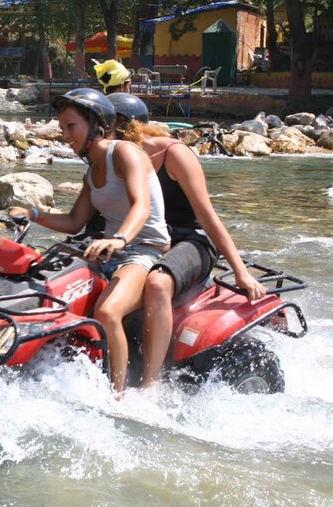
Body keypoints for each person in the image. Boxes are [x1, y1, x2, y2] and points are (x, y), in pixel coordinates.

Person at [9, 88, 169, 392]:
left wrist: (120, 239)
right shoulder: (93, 170)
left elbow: (142, 205)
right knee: (46, 285)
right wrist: (32, 213)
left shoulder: (124, 153)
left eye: (71, 126)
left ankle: (118, 397)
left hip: (144, 252)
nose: (64, 135)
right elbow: (73, 222)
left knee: (108, 312)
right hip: (109, 251)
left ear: (95, 125)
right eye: (62, 128)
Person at [107, 93, 267, 388]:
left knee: (158, 282)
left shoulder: (173, 154)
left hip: (193, 240)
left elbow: (208, 216)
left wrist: (241, 271)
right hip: (149, 241)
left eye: (103, 128)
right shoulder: (112, 160)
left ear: (124, 128)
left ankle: (150, 385)